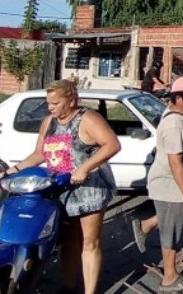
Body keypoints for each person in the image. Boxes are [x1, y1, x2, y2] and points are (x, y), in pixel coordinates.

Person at [8, 80, 120, 294]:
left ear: (71, 100)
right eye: (48, 103)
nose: (51, 107)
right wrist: (12, 171)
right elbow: (39, 153)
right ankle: (69, 286)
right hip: (60, 189)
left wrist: (85, 168)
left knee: (89, 242)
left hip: (89, 190)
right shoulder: (49, 122)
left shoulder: (88, 118)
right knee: (69, 241)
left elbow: (112, 144)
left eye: (55, 103)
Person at [132, 77, 183, 291]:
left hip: (172, 186)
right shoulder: (175, 124)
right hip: (171, 186)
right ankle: (170, 278)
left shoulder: (180, 116)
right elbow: (175, 161)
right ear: (179, 98)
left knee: (171, 221)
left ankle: (145, 225)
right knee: (171, 232)